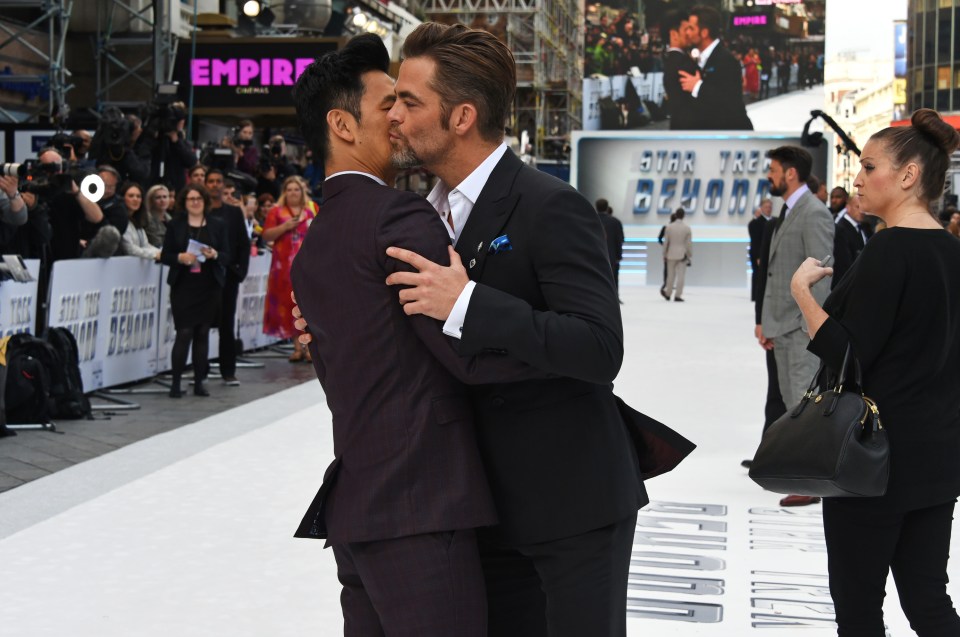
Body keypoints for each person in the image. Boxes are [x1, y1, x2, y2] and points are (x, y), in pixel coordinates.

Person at [287, 34, 557, 637]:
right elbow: (470, 359)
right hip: (421, 509)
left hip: (360, 509)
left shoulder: (314, 247)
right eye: (389, 105)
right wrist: (564, 349)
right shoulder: (399, 218)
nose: (402, 120)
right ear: (343, 124)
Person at [384, 22, 645, 637]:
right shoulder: (423, 215)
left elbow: (599, 347)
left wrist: (470, 302)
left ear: (461, 117)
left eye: (409, 101)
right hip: (474, 501)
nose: (392, 114)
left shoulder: (550, 205)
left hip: (571, 503)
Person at [790, 108, 960, 637]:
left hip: (872, 461)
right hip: (939, 458)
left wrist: (803, 295)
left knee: (859, 606)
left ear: (908, 176)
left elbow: (846, 354)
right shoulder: (952, 252)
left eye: (867, 167)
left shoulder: (889, 249)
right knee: (928, 598)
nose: (857, 180)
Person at [756, 145, 834, 507]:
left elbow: (822, 274)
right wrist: (766, 322)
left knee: (805, 405)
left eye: (772, 169)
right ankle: (802, 474)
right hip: (782, 326)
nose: (769, 176)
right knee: (792, 403)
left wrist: (811, 327)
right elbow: (775, 272)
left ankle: (812, 482)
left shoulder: (813, 213)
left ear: (790, 173)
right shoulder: (788, 211)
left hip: (800, 329)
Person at [159, 185, 229, 398]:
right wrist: (180, 258)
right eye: (191, 199)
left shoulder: (217, 225)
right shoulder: (175, 225)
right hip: (184, 285)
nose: (195, 202)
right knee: (184, 332)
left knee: (202, 333)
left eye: (198, 198)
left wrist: (214, 254)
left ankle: (200, 382)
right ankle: (176, 383)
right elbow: (165, 255)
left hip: (208, 286)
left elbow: (227, 255)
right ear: (184, 202)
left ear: (205, 201)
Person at [261, 176, 317, 362]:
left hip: (309, 264)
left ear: (302, 191)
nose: (293, 193)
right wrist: (285, 226)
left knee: (310, 303)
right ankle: (297, 347)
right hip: (283, 267)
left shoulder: (311, 208)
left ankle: (311, 348)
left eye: (297, 189)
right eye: (290, 189)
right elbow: (266, 234)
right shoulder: (276, 211)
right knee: (289, 305)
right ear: (285, 192)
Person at [204, 169, 250, 386]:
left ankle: (228, 370)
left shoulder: (233, 212)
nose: (214, 185)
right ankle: (200, 370)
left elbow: (243, 242)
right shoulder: (199, 210)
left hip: (228, 274)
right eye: (210, 181)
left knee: (226, 323)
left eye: (218, 181)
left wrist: (240, 272)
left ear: (223, 185)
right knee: (202, 323)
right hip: (202, 275)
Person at [678, 5, 753, 130]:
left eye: (691, 28)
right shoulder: (698, 57)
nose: (687, 33)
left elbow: (729, 101)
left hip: (731, 138)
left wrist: (697, 87)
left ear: (704, 33)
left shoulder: (726, 60)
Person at [661, 9, 698, 130]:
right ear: (673, 34)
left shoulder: (674, 59)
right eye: (686, 29)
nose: (689, 34)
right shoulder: (681, 63)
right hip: (688, 128)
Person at [831, 193, 871, 289]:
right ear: (848, 207)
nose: (861, 211)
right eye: (857, 207)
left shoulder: (864, 227)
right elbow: (843, 265)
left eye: (863, 206)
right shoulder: (840, 229)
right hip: (849, 285)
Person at [118, 181, 160, 261]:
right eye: (131, 196)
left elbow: (145, 245)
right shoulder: (120, 221)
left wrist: (162, 253)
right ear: (122, 198)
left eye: (138, 196)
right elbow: (129, 249)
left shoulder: (137, 221)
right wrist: (155, 255)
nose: (135, 199)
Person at [595, 198, 624, 301]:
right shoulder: (615, 222)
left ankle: (597, 297)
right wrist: (619, 255)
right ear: (607, 207)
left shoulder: (591, 219)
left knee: (595, 277)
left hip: (594, 255)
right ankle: (614, 298)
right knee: (614, 277)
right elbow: (620, 239)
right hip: (611, 255)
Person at [662, 207, 692, 302]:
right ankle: (678, 295)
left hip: (670, 253)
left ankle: (668, 294)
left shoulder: (669, 227)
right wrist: (689, 254)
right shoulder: (687, 228)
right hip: (682, 254)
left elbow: (666, 242)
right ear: (683, 216)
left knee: (670, 275)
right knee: (681, 276)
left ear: (676, 214)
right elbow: (688, 243)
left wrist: (664, 254)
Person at [748, 198, 773, 302]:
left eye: (770, 207)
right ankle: (757, 296)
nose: (768, 209)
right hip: (758, 254)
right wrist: (759, 256)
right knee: (758, 276)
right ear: (761, 208)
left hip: (767, 253)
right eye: (766, 207)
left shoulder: (772, 222)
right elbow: (756, 241)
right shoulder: (755, 223)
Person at [144, 184, 172, 248]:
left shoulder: (170, 219)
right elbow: (156, 243)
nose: (162, 200)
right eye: (158, 197)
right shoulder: (148, 220)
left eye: (165, 197)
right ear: (151, 200)